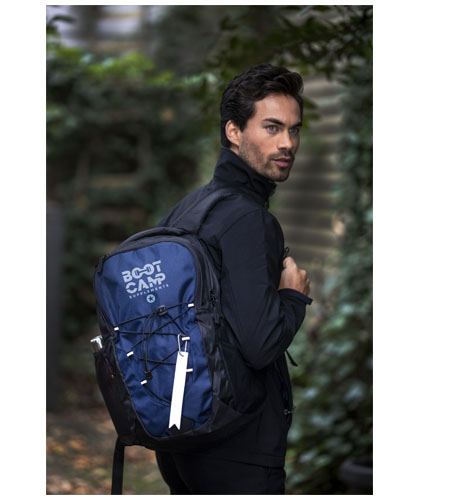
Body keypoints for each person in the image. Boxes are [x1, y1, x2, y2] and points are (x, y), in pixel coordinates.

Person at [155, 63, 313, 495]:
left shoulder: (189, 208)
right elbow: (260, 344)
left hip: (182, 435)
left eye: (294, 130)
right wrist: (293, 297)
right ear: (234, 132)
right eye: (272, 127)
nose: (287, 143)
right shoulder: (248, 220)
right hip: (237, 446)